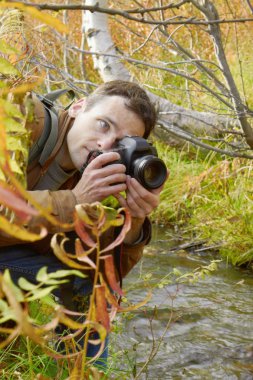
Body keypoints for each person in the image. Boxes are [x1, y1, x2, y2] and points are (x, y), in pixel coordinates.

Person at [0, 80, 165, 366]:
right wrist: (74, 199)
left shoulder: (99, 171)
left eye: (121, 143)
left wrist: (134, 225)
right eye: (103, 124)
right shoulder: (22, 118)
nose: (105, 145)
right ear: (78, 107)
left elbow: (102, 272)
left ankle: (74, 372)